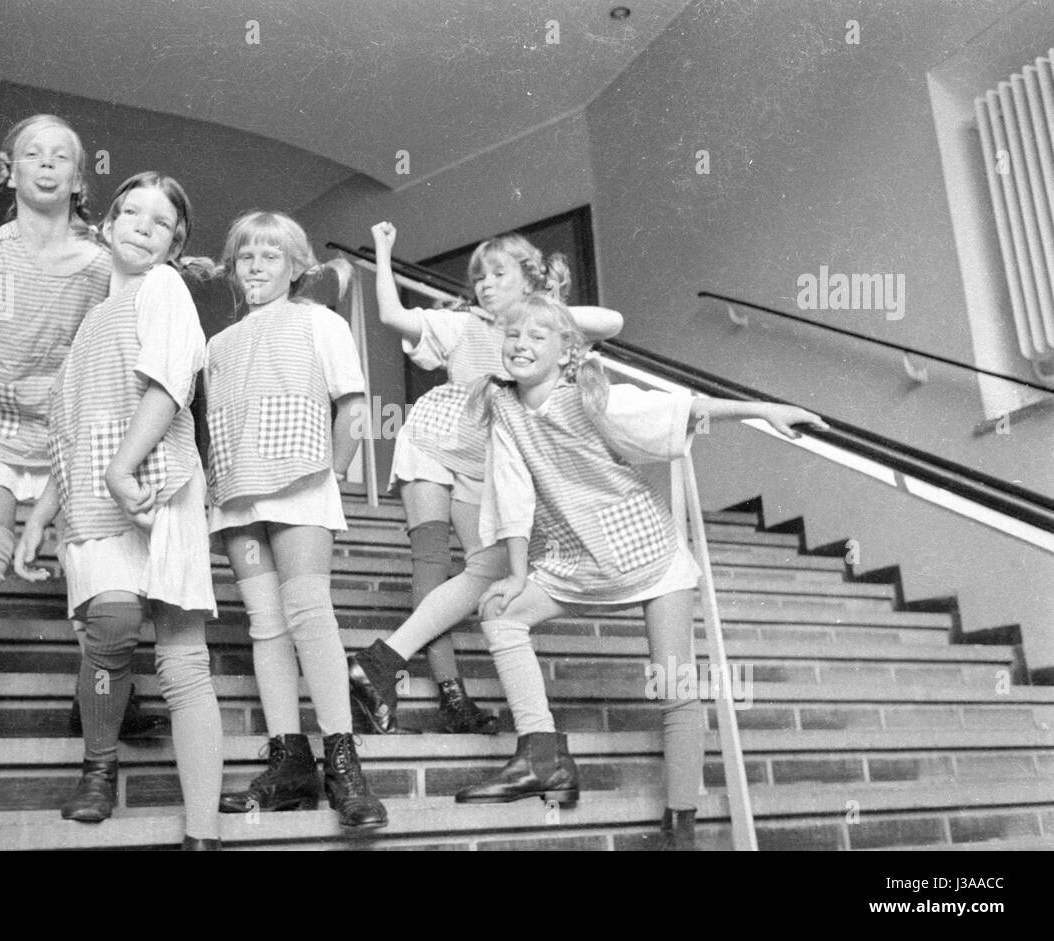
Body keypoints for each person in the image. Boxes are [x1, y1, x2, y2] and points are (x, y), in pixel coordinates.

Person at [461, 294, 826, 850]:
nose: (520, 345)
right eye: (513, 336)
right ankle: (542, 754)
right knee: (503, 618)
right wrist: (515, 574)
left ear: (567, 354)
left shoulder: (591, 399)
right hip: (576, 558)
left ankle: (680, 829)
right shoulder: (506, 409)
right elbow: (513, 495)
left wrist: (762, 409)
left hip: (647, 554)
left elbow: (679, 408)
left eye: (539, 337)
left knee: (676, 688)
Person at [14, 172, 222, 849]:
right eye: (130, 211)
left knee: (184, 659)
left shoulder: (165, 289)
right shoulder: (90, 322)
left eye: (159, 222)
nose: (140, 225)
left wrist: (122, 465)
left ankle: (204, 830)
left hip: (159, 489)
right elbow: (74, 430)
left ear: (175, 242)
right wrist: (44, 508)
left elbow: (168, 385)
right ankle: (99, 769)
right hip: (97, 499)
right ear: (107, 222)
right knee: (110, 619)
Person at [348, 224, 624, 734]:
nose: (486, 285)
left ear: (529, 280)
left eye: (500, 274)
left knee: (486, 567)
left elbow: (612, 320)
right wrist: (385, 251)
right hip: (433, 440)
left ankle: (382, 662)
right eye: (479, 277)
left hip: (486, 456)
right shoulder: (459, 325)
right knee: (432, 559)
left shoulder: (536, 333)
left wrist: (538, 312)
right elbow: (391, 314)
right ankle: (450, 695)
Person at [0, 114, 123, 742]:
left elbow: (108, 356)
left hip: (66, 436)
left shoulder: (102, 265)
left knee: (85, 552)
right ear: (9, 171)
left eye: (60, 156)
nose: (45, 163)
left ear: (77, 178)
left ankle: (100, 686)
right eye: (32, 154)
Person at [206, 211, 386, 830]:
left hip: (301, 485)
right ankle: (289, 761)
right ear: (233, 269)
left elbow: (354, 409)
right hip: (236, 496)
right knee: (265, 624)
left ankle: (343, 761)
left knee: (309, 613)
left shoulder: (320, 322)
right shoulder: (218, 345)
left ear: (297, 267)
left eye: (272, 256)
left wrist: (333, 476)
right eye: (247, 257)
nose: (258, 266)